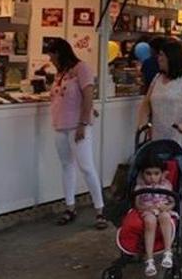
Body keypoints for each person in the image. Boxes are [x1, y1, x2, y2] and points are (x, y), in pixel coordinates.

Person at [44, 38, 107, 229]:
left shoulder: (82, 69)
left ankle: (100, 210)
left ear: (59, 53)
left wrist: (83, 123)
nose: (50, 59)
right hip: (60, 126)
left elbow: (88, 96)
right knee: (66, 166)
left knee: (86, 167)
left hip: (78, 126)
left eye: (52, 55)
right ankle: (70, 206)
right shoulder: (60, 73)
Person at [138, 40, 182, 147]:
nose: (159, 59)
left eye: (162, 55)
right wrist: (143, 124)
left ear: (172, 57)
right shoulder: (157, 78)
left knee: (175, 162)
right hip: (157, 135)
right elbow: (146, 103)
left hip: (178, 136)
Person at [133, 153, 176, 277]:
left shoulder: (166, 185)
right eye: (148, 173)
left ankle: (168, 251)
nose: (152, 177)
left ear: (162, 173)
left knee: (165, 217)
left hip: (163, 209)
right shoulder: (140, 186)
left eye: (156, 173)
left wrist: (167, 207)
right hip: (148, 210)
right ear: (142, 173)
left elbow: (173, 201)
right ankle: (149, 259)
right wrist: (147, 208)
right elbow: (137, 204)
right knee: (150, 222)